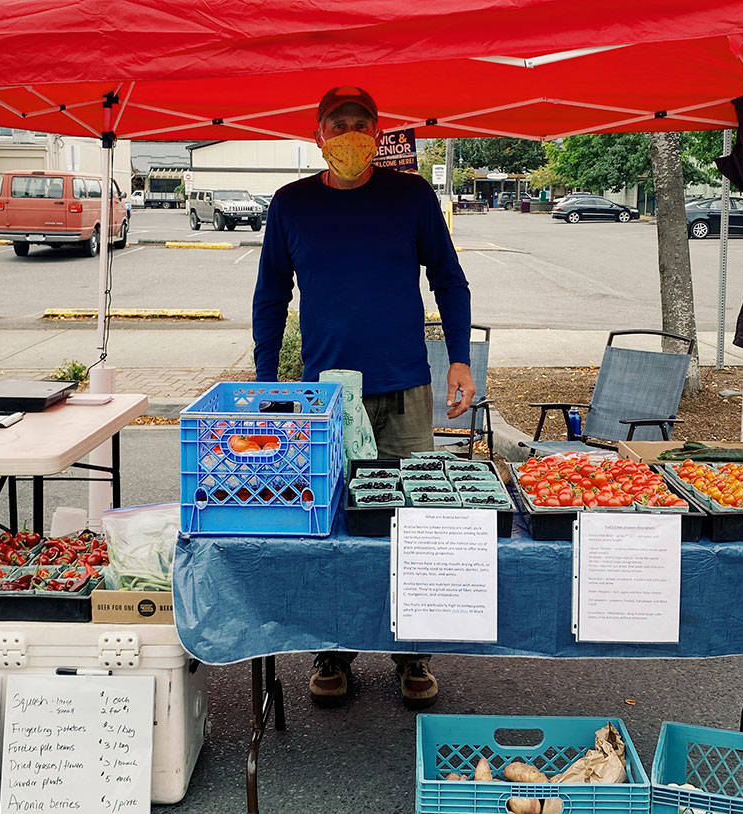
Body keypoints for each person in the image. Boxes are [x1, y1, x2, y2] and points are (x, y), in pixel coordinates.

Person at [251, 86, 475, 710]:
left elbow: (448, 278)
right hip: (324, 399)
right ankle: (335, 649)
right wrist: (268, 380)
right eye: (337, 123)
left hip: (405, 388)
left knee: (413, 523)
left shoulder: (411, 196)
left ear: (379, 133)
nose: (350, 133)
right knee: (334, 526)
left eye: (361, 123)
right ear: (317, 134)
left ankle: (413, 655)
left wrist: (459, 358)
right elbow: (271, 296)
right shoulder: (291, 204)